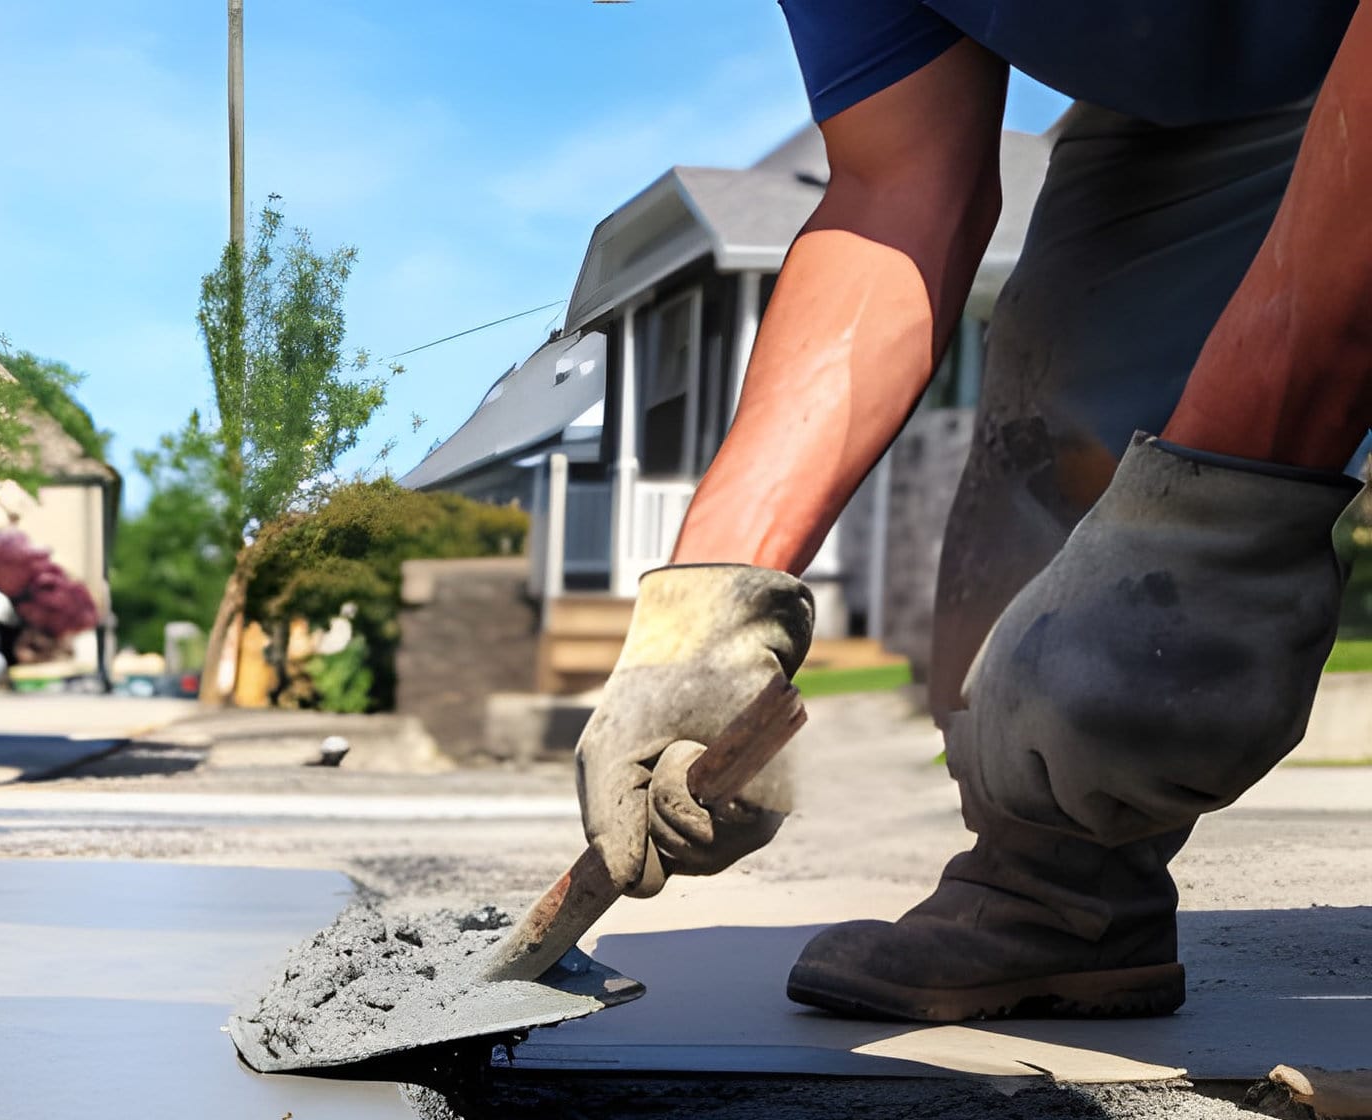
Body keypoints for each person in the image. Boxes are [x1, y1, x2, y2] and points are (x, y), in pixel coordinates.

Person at [575, 1, 1372, 1022]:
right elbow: (892, 194)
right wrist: (704, 619)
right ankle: (1058, 895)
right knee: (1052, 421)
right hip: (1218, 109)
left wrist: (1216, 513)